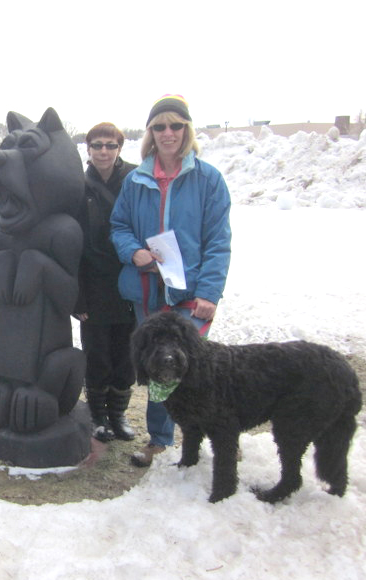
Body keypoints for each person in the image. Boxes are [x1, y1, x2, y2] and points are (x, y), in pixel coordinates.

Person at [110, 95, 232, 467]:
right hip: (148, 294)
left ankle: (215, 434)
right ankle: (160, 439)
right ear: (150, 133)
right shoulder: (136, 179)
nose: (168, 133)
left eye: (176, 125)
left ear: (187, 130)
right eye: (159, 126)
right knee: (158, 370)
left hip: (190, 295)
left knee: (197, 369)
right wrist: (134, 253)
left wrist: (209, 292)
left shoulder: (207, 178)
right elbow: (119, 226)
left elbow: (218, 240)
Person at [74, 123, 137, 443]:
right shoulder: (77, 185)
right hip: (93, 280)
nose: (103, 151)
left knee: (125, 353)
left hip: (129, 275)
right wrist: (77, 296)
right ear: (88, 149)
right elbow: (71, 243)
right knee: (96, 353)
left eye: (110, 145)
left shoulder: (135, 178)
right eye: (97, 145)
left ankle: (118, 413)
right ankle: (98, 415)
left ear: (119, 148)